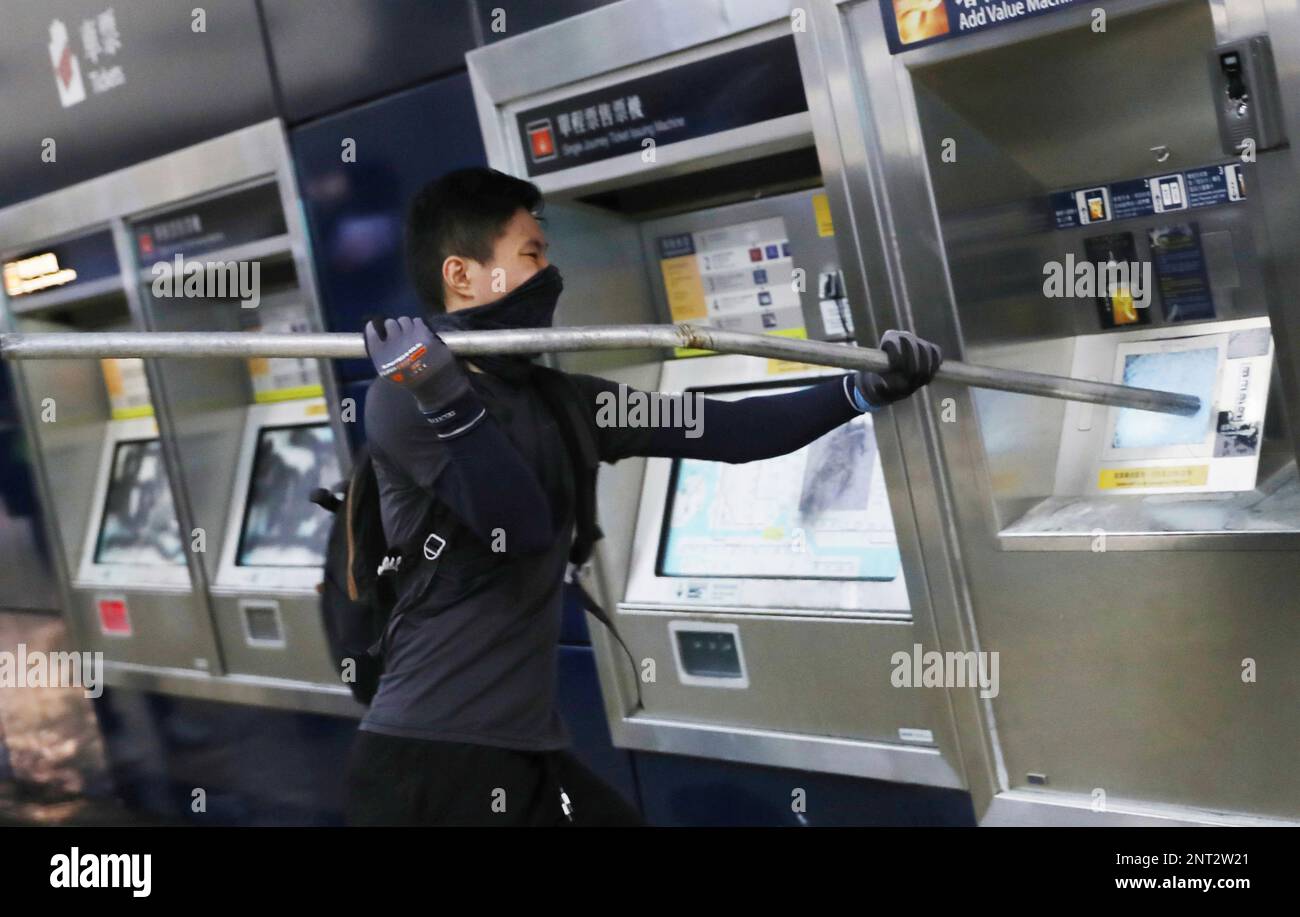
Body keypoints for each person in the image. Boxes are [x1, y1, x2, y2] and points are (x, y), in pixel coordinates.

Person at [345, 167, 943, 826]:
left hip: (519, 751)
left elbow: (732, 430)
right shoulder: (403, 399)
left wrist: (861, 390)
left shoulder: (568, 402)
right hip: (431, 761)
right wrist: (442, 391)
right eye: (532, 255)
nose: (550, 273)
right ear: (462, 275)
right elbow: (516, 524)